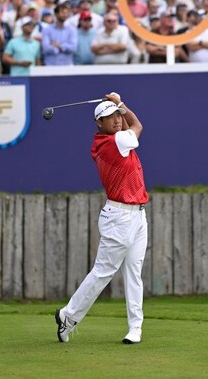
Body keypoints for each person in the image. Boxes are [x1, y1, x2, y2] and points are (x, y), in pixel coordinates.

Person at [56, 92, 148, 345]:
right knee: (103, 272)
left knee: (133, 273)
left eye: (118, 116)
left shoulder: (118, 139)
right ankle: (68, 315)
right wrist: (120, 102)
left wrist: (119, 106)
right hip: (119, 217)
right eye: (110, 117)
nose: (117, 120)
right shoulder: (110, 143)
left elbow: (130, 127)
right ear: (99, 123)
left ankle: (135, 328)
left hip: (138, 216)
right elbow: (138, 126)